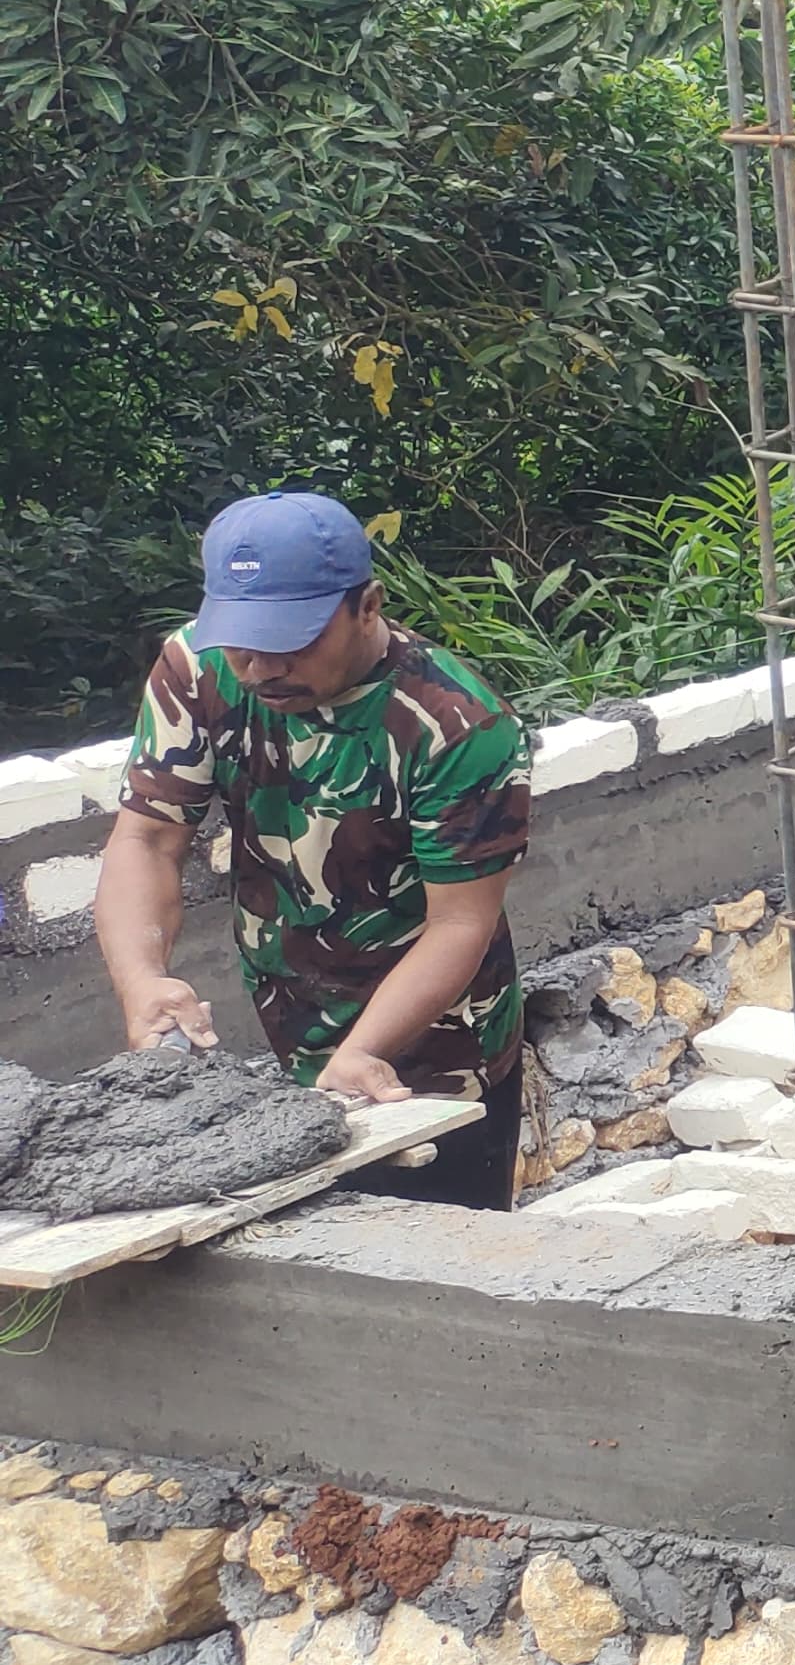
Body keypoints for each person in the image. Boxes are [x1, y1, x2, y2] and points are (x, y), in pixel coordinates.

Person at [94, 492, 535, 1207]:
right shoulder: (197, 670)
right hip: (289, 1018)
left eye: (290, 641)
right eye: (240, 640)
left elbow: (460, 923)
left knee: (431, 1287)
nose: (258, 669)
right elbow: (146, 839)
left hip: (438, 1060)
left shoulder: (457, 724)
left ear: (368, 606)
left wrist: (363, 1051)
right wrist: (142, 980)